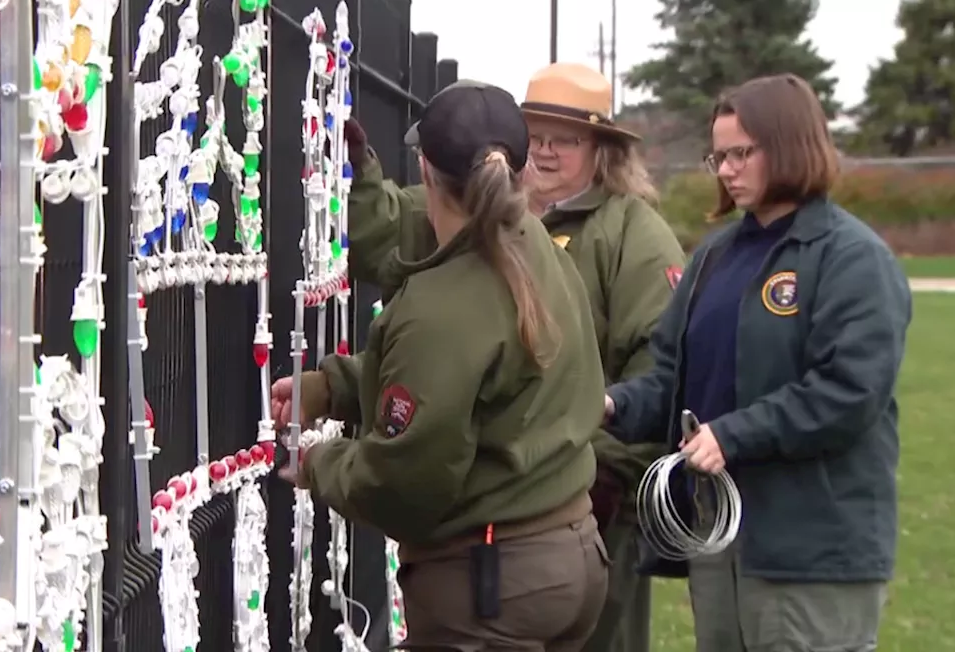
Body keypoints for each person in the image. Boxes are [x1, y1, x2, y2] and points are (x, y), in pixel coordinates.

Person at [339, 63, 683, 652]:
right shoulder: (493, 211)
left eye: (566, 140)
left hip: (588, 501)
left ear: (602, 149)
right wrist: (358, 173)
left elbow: (663, 372)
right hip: (517, 508)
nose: (547, 152)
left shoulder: (634, 237)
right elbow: (386, 233)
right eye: (537, 136)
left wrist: (598, 464)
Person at [270, 82, 610, 650]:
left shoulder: (442, 307)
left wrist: (318, 463)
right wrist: (332, 388)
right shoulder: (542, 255)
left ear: (424, 172)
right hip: (571, 554)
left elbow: (406, 482)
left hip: (492, 587)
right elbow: (480, 386)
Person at [604, 73, 912, 652]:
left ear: (792, 144)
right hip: (721, 541)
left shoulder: (853, 259)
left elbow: (848, 392)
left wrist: (733, 435)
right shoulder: (715, 257)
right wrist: (613, 403)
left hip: (812, 548)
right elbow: (674, 379)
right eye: (717, 156)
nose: (725, 170)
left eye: (741, 153)